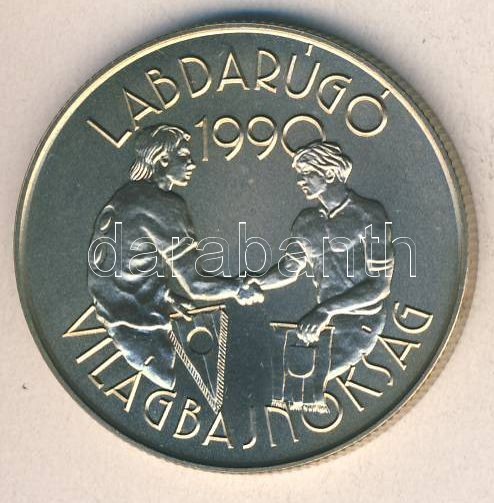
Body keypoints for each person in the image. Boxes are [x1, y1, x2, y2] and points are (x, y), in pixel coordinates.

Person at [87, 124, 263, 390]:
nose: (191, 162)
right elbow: (195, 284)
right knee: (211, 388)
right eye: (183, 155)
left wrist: (164, 296)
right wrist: (238, 288)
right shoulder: (164, 205)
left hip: (119, 325)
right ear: (162, 160)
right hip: (146, 334)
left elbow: (123, 267)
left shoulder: (124, 197)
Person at [250, 140, 394, 382]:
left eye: (307, 173)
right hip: (319, 324)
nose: (300, 180)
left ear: (329, 174)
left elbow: (380, 285)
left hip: (359, 323)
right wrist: (255, 282)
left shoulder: (369, 215)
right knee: (265, 374)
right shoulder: (306, 222)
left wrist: (324, 311)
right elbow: (288, 270)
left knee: (297, 382)